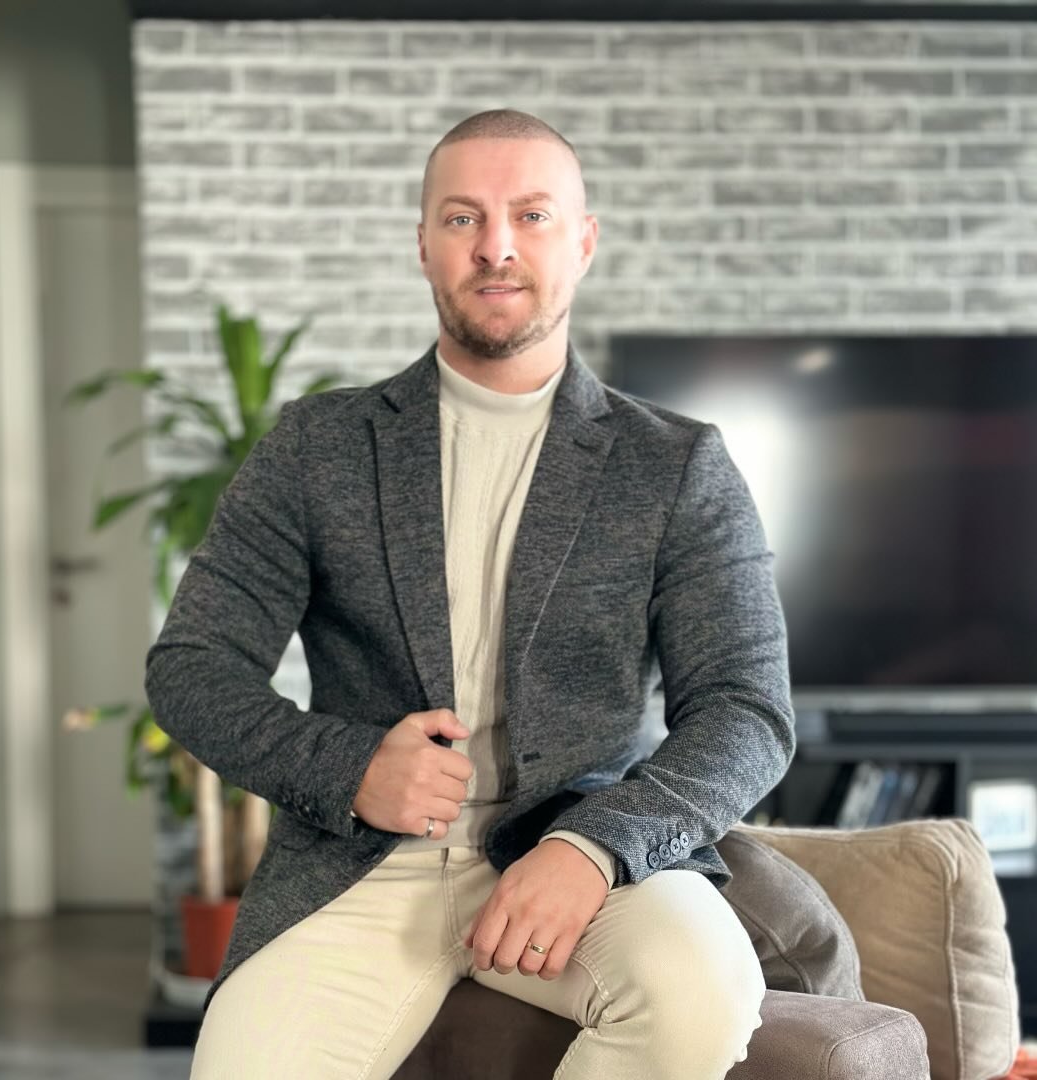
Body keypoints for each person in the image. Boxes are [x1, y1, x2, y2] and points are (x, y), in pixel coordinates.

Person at [145, 108, 796, 1079]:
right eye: (463, 218)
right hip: (359, 866)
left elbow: (746, 709)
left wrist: (595, 849)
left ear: (583, 241)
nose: (496, 246)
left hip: (584, 856)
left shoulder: (678, 465)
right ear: (424, 244)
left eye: (532, 215)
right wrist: (352, 766)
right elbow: (191, 666)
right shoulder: (316, 447)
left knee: (702, 995)